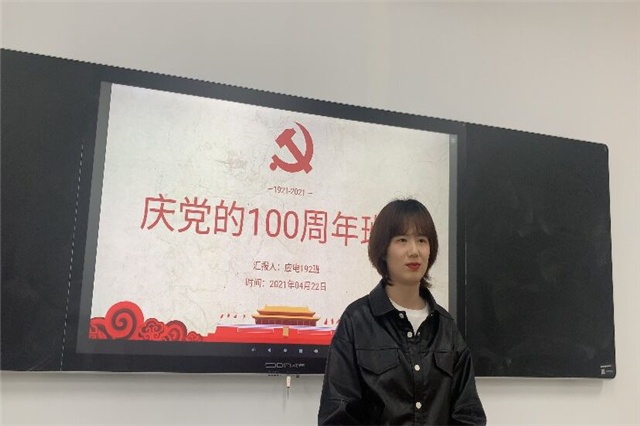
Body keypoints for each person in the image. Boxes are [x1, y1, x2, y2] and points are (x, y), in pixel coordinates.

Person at [318, 199, 486, 425]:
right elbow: (337, 415)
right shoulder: (357, 321)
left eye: (422, 240)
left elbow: (468, 415)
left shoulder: (446, 327)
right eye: (402, 240)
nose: (414, 251)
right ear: (383, 250)